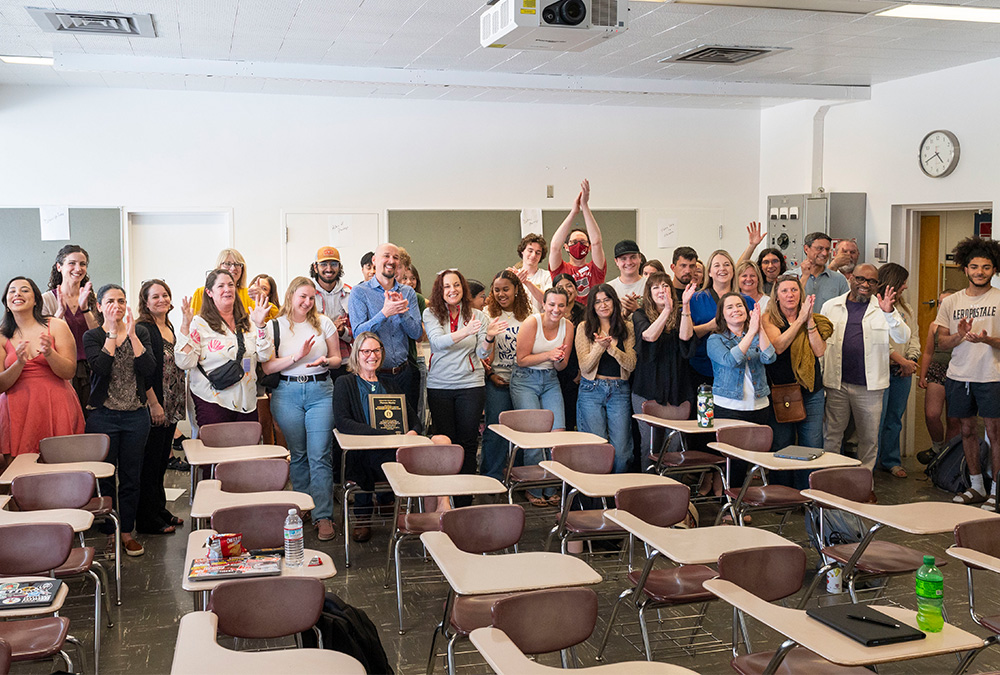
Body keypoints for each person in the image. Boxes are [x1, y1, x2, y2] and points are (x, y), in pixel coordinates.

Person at [333, 333, 450, 543]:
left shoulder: (391, 385)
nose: (372, 355)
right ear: (356, 354)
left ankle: (436, 508)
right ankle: (365, 516)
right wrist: (385, 435)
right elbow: (343, 422)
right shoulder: (345, 383)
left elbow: (414, 420)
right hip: (364, 452)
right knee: (424, 461)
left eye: (376, 350)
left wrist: (413, 432)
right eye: (366, 351)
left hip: (396, 450)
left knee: (442, 442)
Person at [261, 277, 341, 541]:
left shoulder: (324, 323)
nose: (307, 302)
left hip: (320, 391)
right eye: (302, 297)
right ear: (291, 295)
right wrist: (296, 357)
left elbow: (338, 359)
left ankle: (323, 516)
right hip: (286, 393)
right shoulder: (275, 326)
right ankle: (304, 506)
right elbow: (268, 367)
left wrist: (324, 360)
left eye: (311, 297)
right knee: (298, 454)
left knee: (320, 454)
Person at [83, 284, 156, 557]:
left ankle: (127, 532)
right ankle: (109, 532)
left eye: (122, 300)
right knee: (105, 478)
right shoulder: (92, 335)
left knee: (130, 476)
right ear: (99, 306)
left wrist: (133, 336)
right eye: (111, 301)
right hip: (103, 416)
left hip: (136, 415)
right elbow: (100, 368)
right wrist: (112, 333)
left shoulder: (141, 332)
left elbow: (149, 368)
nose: (118, 305)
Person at [423, 269, 505, 504]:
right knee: (445, 442)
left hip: (470, 384)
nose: (452, 290)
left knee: (468, 442)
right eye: (447, 286)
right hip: (440, 385)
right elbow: (437, 344)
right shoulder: (431, 313)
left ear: (463, 288)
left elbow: (481, 352)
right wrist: (465, 332)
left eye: (456, 285)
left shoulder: (479, 315)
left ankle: (464, 499)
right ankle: (444, 498)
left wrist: (488, 337)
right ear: (440, 290)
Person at [821, 263, 908, 471]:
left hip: (870, 388)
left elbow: (903, 337)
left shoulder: (884, 309)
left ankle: (864, 483)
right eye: (860, 279)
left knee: (869, 439)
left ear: (877, 284)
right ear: (851, 278)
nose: (865, 284)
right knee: (832, 436)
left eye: (871, 281)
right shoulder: (831, 306)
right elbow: (823, 345)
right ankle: (830, 481)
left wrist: (889, 313)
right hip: (837, 383)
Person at [935, 237, 1000, 509]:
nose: (979, 272)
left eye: (986, 267)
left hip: (992, 376)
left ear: (994, 270)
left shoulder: (998, 298)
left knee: (995, 432)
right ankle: (976, 486)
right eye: (974, 266)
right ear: (965, 269)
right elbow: (942, 342)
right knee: (966, 430)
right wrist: (959, 336)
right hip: (959, 375)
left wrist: (988, 340)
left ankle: (996, 490)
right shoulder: (951, 302)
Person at [0, 277, 83, 463]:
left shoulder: (56, 325)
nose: (17, 294)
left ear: (36, 299)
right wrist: (18, 363)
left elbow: (69, 371)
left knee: (60, 466)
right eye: (12, 291)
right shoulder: (2, 335)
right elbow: (0, 385)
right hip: (16, 409)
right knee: (18, 473)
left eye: (24, 290)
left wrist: (50, 354)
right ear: (6, 302)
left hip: (55, 404)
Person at [175, 269, 273, 425]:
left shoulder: (250, 320)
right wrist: (185, 327)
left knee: (246, 448)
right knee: (216, 448)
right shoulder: (199, 323)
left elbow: (265, 356)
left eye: (230, 285)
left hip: (247, 401)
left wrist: (261, 326)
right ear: (209, 292)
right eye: (220, 286)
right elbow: (185, 363)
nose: (227, 289)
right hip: (212, 399)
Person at [761, 275, 832, 488]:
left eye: (794, 290)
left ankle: (806, 493)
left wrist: (809, 320)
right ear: (776, 297)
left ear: (801, 294)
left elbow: (819, 350)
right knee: (782, 444)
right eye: (784, 291)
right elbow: (778, 346)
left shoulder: (814, 318)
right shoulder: (769, 319)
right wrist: (799, 320)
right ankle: (782, 492)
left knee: (812, 444)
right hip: (781, 392)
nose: (790, 295)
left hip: (811, 390)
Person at [707, 294, 776, 495]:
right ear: (722, 314)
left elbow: (770, 357)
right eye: (729, 307)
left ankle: (744, 501)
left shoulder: (755, 333)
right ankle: (729, 508)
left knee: (752, 461)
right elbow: (731, 360)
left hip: (759, 405)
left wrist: (759, 328)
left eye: (739, 305)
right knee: (733, 463)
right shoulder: (715, 339)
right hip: (729, 408)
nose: (736, 309)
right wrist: (751, 333)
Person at [511, 286, 574, 504]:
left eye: (561, 305)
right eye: (552, 304)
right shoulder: (532, 322)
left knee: (557, 435)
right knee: (535, 437)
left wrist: (557, 360)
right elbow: (521, 359)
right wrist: (549, 354)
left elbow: (562, 366)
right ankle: (534, 489)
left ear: (567, 307)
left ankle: (551, 486)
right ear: (544, 305)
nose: (556, 309)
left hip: (550, 379)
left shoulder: (568, 326)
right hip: (524, 379)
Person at [630, 273, 697, 468]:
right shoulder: (640, 314)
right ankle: (648, 487)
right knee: (649, 445)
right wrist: (666, 310)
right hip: (647, 389)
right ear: (649, 293)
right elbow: (649, 336)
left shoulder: (681, 313)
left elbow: (686, 338)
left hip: (678, 388)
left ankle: (671, 489)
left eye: (665, 286)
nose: (661, 290)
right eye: (656, 287)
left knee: (674, 445)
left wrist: (684, 306)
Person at [135, 279, 186, 535]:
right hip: (156, 403)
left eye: (165, 295)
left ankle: (160, 509)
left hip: (173, 401)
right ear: (145, 302)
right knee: (150, 462)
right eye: (155, 296)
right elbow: (141, 371)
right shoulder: (143, 328)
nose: (162, 300)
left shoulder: (168, 325)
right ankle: (146, 519)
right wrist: (153, 404)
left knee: (161, 462)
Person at [348, 243, 423, 411]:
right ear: (374, 260)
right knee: (378, 429)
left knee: (406, 427)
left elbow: (417, 333)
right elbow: (359, 333)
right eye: (386, 256)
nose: (391, 261)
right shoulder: (359, 292)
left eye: (395, 258)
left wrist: (402, 312)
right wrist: (385, 313)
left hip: (404, 374)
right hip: (373, 375)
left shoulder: (408, 293)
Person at [576, 285, 637, 474]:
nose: (603, 305)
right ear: (592, 306)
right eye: (597, 301)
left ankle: (617, 493)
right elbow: (585, 366)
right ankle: (597, 495)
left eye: (607, 299)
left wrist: (612, 349)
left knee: (623, 451)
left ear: (614, 301)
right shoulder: (584, 328)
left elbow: (631, 364)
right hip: (591, 390)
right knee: (596, 447)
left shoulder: (627, 327)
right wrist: (599, 347)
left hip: (619, 389)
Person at [481, 270, 532, 481]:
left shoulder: (529, 315)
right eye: (497, 290)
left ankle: (517, 476)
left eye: (506, 289)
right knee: (495, 431)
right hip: (497, 381)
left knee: (522, 432)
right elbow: (481, 350)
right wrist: (491, 373)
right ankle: (491, 478)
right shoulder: (486, 313)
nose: (501, 294)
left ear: (516, 290)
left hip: (525, 381)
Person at [876, 263, 920, 478]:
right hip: (882, 370)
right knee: (877, 419)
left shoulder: (906, 308)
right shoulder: (875, 306)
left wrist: (911, 360)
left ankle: (891, 461)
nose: (905, 286)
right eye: (902, 282)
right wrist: (901, 360)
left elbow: (913, 336)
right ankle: (871, 464)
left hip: (903, 373)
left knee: (894, 419)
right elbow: (881, 341)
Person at [41, 244, 99, 408]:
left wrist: (85, 309)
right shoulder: (47, 299)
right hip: (61, 369)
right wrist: (59, 312)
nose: (78, 268)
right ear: (59, 267)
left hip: (91, 369)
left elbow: (98, 334)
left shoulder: (91, 296)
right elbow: (43, 337)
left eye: (82, 264)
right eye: (72, 263)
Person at [689, 250, 754, 381]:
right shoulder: (695, 299)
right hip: (702, 368)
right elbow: (686, 335)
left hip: (740, 370)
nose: (722, 269)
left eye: (726, 265)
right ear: (709, 272)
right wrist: (709, 326)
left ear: (733, 270)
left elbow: (756, 333)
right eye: (717, 265)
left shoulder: (747, 301)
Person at [548, 179, 606, 304]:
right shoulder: (560, 269)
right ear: (566, 247)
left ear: (589, 247)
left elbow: (596, 242)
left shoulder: (595, 269)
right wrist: (574, 212)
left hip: (590, 317)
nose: (578, 245)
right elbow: (554, 247)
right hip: (566, 314)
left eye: (583, 242)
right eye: (574, 242)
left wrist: (585, 206)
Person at [918, 290, 960, 461]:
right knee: (932, 414)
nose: (943, 306)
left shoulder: (963, 325)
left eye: (947, 302)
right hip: (937, 370)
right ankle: (938, 446)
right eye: (940, 302)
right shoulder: (934, 325)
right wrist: (923, 375)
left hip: (958, 372)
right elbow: (928, 351)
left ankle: (947, 456)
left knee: (954, 419)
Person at [552, 273, 584, 431]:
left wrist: (582, 371)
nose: (565, 289)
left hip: (577, 373)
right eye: (560, 287)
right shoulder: (552, 314)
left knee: (571, 419)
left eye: (569, 285)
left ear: (576, 290)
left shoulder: (585, 313)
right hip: (554, 371)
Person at [791, 232, 849, 311]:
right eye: (819, 248)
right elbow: (786, 303)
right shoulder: (791, 276)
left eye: (827, 249)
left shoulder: (839, 279)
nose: (824, 253)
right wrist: (804, 277)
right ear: (806, 249)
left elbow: (846, 309)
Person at [190, 249, 253, 315]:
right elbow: (192, 322)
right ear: (218, 267)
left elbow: (261, 321)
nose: (233, 268)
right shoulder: (201, 293)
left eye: (237, 264)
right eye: (228, 264)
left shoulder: (249, 294)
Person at [508, 233, 551, 311]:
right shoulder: (512, 275)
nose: (533, 255)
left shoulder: (547, 276)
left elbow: (548, 301)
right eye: (530, 251)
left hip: (540, 320)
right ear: (522, 251)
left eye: (538, 253)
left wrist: (526, 282)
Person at [608, 239, 646, 318]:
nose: (629, 262)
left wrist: (637, 309)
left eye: (633, 257)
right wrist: (625, 313)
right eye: (623, 259)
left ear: (640, 258)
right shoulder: (609, 288)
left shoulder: (650, 285)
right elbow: (606, 322)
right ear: (616, 262)